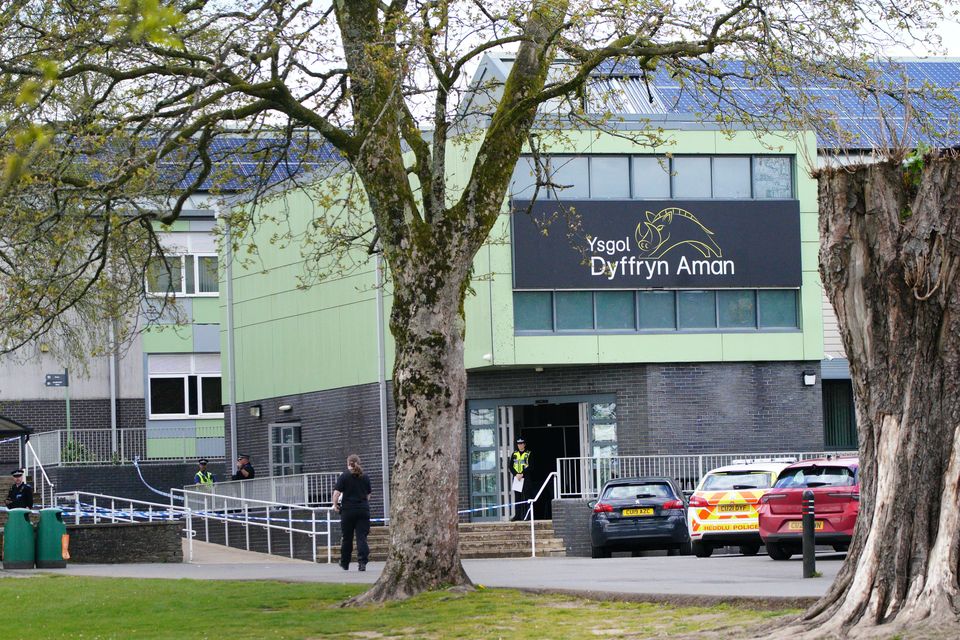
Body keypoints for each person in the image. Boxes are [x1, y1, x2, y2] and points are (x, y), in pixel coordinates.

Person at [332, 454, 372, 571]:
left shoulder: (344, 476)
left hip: (348, 511)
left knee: (347, 538)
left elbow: (336, 494)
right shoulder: (365, 477)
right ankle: (362, 563)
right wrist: (363, 503)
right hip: (363, 510)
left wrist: (335, 506)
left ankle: (345, 563)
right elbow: (368, 494)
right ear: (359, 463)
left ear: (348, 463)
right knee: (361, 537)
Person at [509, 437, 531, 521]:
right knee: (517, 498)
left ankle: (528, 515)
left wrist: (522, 474)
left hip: (526, 478)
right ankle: (517, 515)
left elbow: (531, 466)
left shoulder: (528, 453)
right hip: (517, 479)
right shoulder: (514, 454)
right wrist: (516, 474)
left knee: (527, 498)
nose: (520, 445)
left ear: (524, 444)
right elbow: (510, 466)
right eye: (518, 444)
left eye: (521, 443)